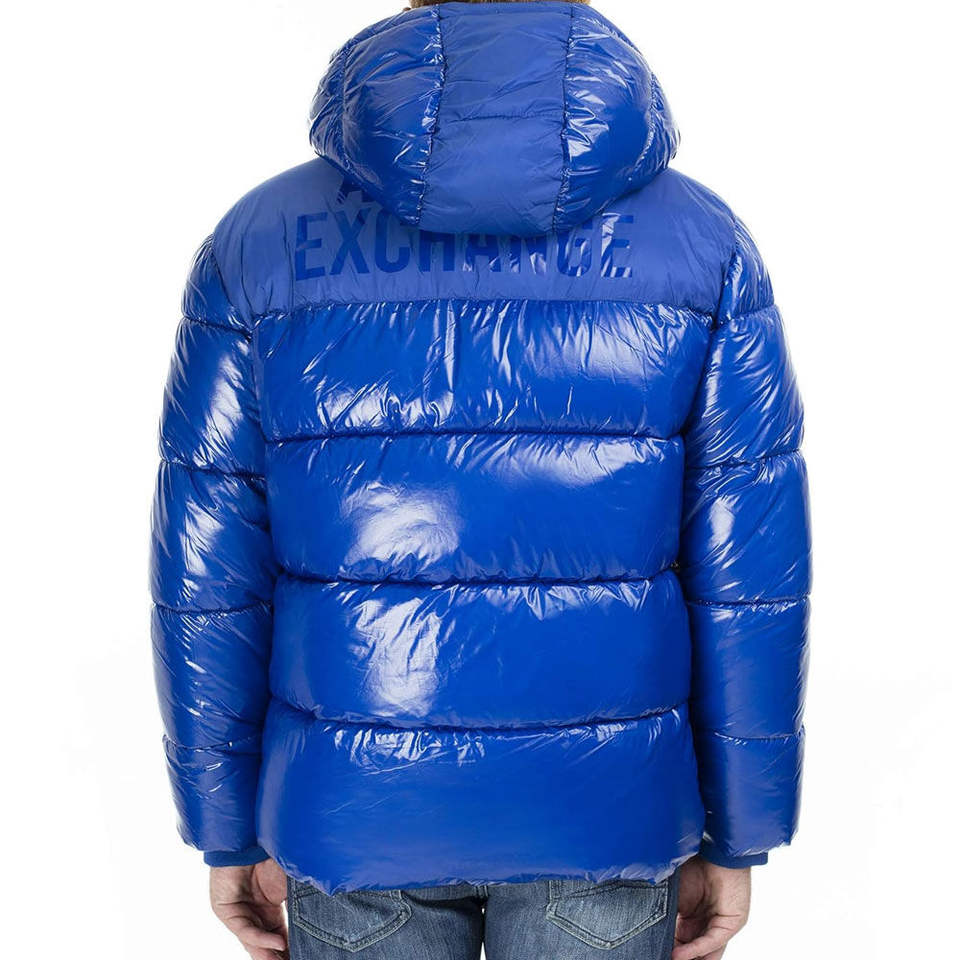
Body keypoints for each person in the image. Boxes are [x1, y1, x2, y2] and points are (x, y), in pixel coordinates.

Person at [149, 1, 811, 958]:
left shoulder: (259, 241)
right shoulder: (704, 244)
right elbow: (751, 577)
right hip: (606, 808)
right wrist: (740, 831)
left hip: (355, 805)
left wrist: (226, 828)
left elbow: (208, 575)